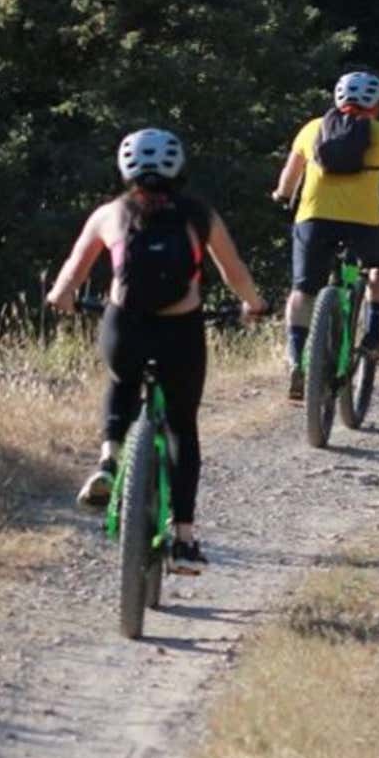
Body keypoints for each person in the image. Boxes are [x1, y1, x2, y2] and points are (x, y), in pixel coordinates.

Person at [44, 127, 269, 571]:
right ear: (179, 168)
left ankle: (109, 459)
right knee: (183, 427)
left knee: (121, 378)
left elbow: (72, 271)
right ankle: (184, 540)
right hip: (179, 331)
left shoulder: (110, 214)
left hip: (124, 326)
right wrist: (254, 304)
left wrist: (61, 297)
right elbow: (234, 270)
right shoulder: (200, 215)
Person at [273, 70, 379, 399]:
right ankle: (374, 331)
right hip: (363, 222)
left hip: (314, 220)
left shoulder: (312, 130)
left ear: (337, 99)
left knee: (303, 290)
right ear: (376, 106)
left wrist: (281, 196)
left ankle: (296, 356)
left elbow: (287, 182)